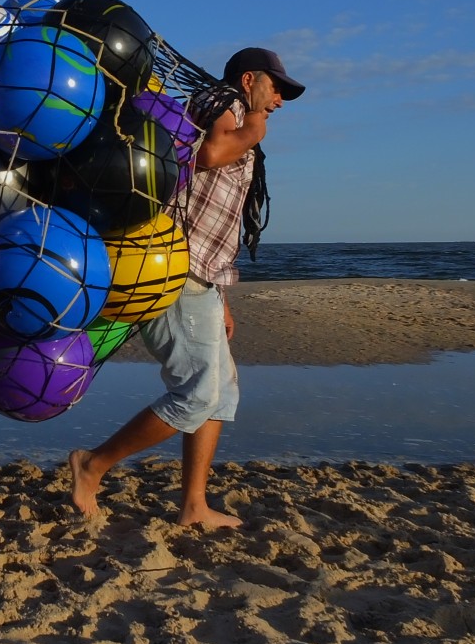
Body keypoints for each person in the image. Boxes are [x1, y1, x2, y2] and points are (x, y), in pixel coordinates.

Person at [70, 47, 305, 528]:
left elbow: (208, 209)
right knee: (197, 394)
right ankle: (92, 465)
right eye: (276, 88)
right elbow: (212, 155)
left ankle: (194, 505)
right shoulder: (222, 103)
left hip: (201, 276)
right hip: (171, 270)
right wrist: (255, 125)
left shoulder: (235, 113)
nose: (280, 99)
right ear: (249, 79)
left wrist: (220, 296)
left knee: (221, 394)